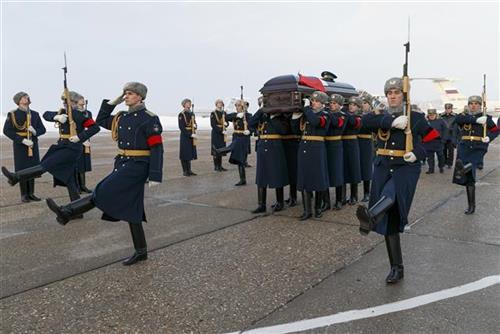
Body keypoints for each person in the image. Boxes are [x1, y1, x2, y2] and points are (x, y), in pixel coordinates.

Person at [45, 82, 164, 266]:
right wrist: (112, 103)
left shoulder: (149, 118)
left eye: (130, 94)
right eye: (125, 94)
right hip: (123, 163)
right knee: (133, 208)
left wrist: (155, 174)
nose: (126, 97)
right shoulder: (122, 116)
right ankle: (141, 251)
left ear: (140, 97)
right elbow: (101, 120)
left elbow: (156, 147)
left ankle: (67, 212)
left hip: (138, 165)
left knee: (103, 189)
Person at [356, 77, 439, 284]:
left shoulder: (416, 117)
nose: (392, 96)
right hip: (383, 167)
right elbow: (363, 123)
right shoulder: (380, 116)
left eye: (396, 93)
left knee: (390, 195)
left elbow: (435, 139)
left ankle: (371, 215)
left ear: (404, 95)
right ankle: (397, 268)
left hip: (405, 167)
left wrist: (418, 153)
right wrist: (390, 121)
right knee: (390, 222)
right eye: (389, 93)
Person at [2, 91, 100, 203]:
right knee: (69, 178)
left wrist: (80, 137)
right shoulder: (63, 112)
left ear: (73, 102)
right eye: (63, 101)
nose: (63, 103)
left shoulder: (82, 114)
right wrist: (56, 117)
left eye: (66, 101)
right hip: (62, 145)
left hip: (71, 148)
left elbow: (95, 128)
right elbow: (46, 114)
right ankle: (76, 208)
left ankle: (16, 177)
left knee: (46, 164)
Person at [453, 95, 498, 214]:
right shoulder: (463, 116)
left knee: (471, 165)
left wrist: (489, 137)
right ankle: (471, 206)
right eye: (471, 103)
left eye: (476, 103)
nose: (473, 106)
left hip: (478, 146)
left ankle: (461, 169)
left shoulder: (486, 118)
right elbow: (457, 120)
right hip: (464, 146)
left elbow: (496, 130)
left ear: (480, 105)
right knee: (469, 178)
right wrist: (475, 120)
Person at [3, 92, 46, 202]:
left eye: (26, 96)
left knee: (33, 169)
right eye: (23, 97)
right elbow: (7, 131)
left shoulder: (35, 114)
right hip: (20, 146)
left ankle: (31, 193)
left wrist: (35, 132)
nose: (26, 98)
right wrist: (22, 140)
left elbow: (43, 129)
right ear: (18, 101)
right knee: (22, 169)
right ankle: (24, 195)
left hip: (33, 143)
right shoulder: (12, 115)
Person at [296, 91, 330, 220]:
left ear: (322, 103)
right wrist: (296, 116)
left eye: (316, 101)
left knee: (318, 179)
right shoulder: (306, 115)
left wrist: (306, 109)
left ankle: (317, 209)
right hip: (304, 148)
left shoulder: (325, 115)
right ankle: (307, 211)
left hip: (317, 150)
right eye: (312, 101)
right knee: (305, 179)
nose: (313, 103)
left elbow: (316, 122)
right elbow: (296, 129)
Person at [248, 109, 289, 213]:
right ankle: (261, 205)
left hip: (275, 147)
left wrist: (274, 117)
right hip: (262, 147)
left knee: (277, 175)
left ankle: (280, 202)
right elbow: (251, 123)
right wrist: (261, 110)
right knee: (261, 176)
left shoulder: (282, 117)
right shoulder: (262, 115)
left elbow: (283, 130)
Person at [214, 100, 252, 186]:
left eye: (238, 106)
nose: (237, 107)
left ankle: (219, 151)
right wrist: (236, 115)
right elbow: (226, 117)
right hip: (236, 136)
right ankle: (243, 180)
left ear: (243, 107)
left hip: (243, 137)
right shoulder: (235, 115)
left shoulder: (248, 116)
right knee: (240, 160)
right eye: (236, 106)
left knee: (233, 147)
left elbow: (253, 125)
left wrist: (249, 131)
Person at [323, 94, 346, 210]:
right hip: (325, 145)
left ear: (340, 105)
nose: (332, 105)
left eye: (335, 103)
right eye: (330, 103)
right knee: (324, 173)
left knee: (337, 173)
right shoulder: (327, 114)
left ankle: (339, 200)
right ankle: (326, 202)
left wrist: (327, 113)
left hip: (336, 145)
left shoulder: (342, 116)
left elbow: (337, 124)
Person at [342, 96, 363, 205]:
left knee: (353, 169)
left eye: (354, 105)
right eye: (350, 104)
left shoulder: (358, 117)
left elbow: (353, 122)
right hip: (342, 144)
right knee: (343, 169)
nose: (351, 106)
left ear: (359, 107)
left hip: (352, 144)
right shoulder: (345, 114)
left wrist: (344, 112)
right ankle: (342, 196)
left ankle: (354, 195)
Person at [75, 97, 93, 193]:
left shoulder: (88, 112)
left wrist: (87, 138)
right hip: (77, 139)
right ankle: (77, 187)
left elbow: (92, 125)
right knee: (76, 164)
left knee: (83, 164)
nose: (83, 100)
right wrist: (82, 139)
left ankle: (83, 186)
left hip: (86, 139)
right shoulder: (74, 112)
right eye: (81, 99)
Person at [358, 95, 374, 202]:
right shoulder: (357, 115)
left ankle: (367, 192)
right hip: (356, 141)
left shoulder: (372, 115)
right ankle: (353, 195)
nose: (363, 105)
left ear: (370, 104)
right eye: (362, 103)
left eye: (365, 103)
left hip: (367, 142)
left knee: (366, 168)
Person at [423, 108, 447, 174]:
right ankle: (431, 169)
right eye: (430, 115)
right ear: (428, 115)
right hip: (428, 143)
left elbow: (445, 130)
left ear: (436, 114)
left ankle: (441, 167)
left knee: (440, 156)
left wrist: (444, 140)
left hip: (439, 142)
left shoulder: (441, 121)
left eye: (433, 114)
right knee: (430, 157)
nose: (431, 116)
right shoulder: (425, 122)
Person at [178, 98, 197, 176]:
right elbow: (181, 127)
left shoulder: (192, 114)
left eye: (190, 103)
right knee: (184, 153)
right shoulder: (181, 114)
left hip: (192, 134)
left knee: (189, 153)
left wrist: (195, 126)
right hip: (185, 136)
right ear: (184, 104)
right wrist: (189, 134)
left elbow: (194, 123)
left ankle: (189, 170)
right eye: (188, 103)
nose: (189, 104)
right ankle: (185, 171)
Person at [210, 99, 228, 171]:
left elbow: (226, 122)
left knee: (221, 149)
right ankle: (216, 166)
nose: (220, 104)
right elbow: (213, 124)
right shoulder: (213, 113)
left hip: (222, 133)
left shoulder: (224, 113)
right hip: (216, 133)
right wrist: (221, 131)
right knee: (216, 149)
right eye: (219, 103)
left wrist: (226, 124)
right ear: (216, 104)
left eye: (221, 103)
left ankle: (220, 166)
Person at [440, 103, 458, 168]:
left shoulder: (455, 116)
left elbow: (457, 127)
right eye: (446, 108)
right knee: (443, 150)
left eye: (449, 108)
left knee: (451, 151)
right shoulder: (441, 116)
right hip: (443, 136)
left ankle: (450, 163)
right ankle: (444, 162)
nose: (447, 110)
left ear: (451, 109)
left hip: (451, 136)